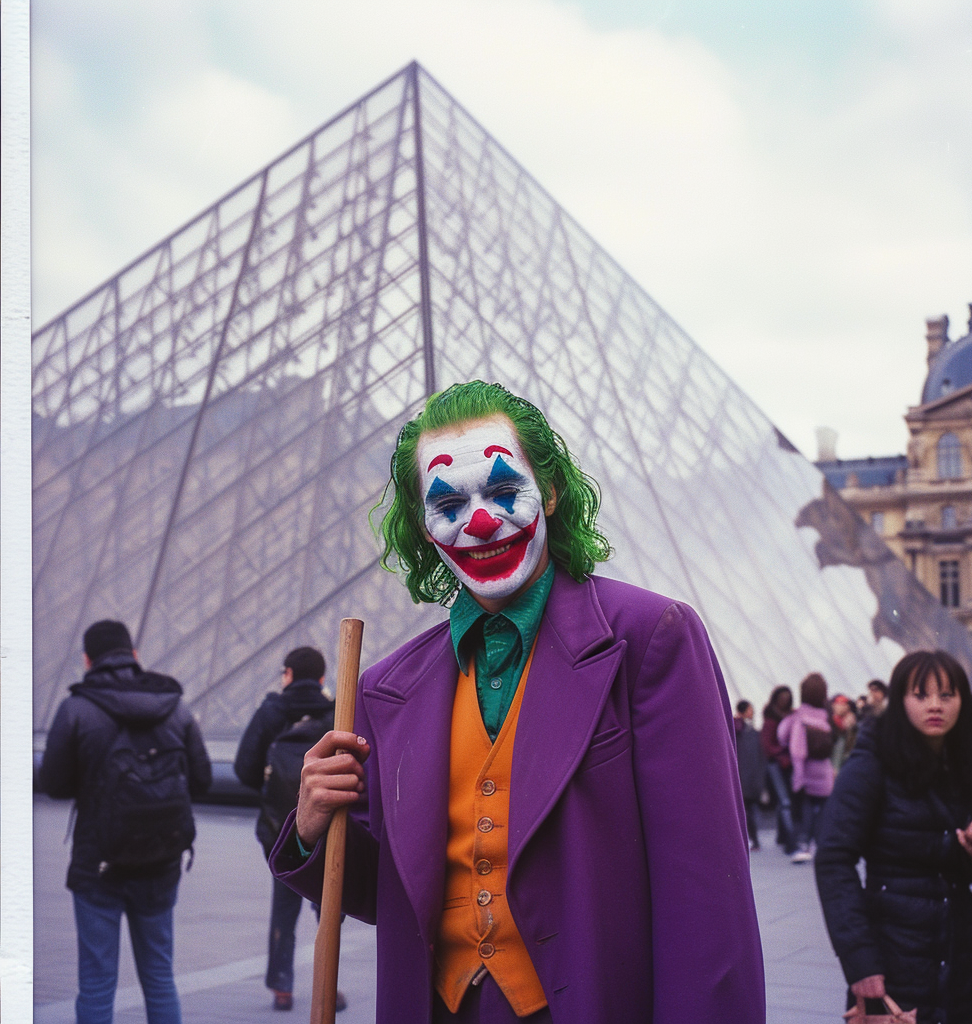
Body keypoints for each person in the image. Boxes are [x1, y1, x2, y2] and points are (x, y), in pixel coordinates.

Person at [270, 381, 766, 1023]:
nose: (480, 522)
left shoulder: (651, 639)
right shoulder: (386, 686)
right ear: (423, 524)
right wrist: (313, 826)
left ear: (552, 491)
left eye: (504, 492)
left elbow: (706, 901)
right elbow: (394, 892)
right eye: (448, 502)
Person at [815, 651, 972, 1024]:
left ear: (962, 700)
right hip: (891, 962)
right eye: (921, 695)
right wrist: (861, 965)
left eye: (947, 695)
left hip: (956, 960)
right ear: (901, 700)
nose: (935, 705)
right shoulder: (872, 761)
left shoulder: (971, 759)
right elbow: (833, 859)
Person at [39, 620, 211, 1024]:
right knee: (159, 977)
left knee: (97, 985)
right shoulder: (176, 705)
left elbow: (54, 784)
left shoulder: (76, 709)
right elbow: (202, 781)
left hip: (97, 864)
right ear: (134, 655)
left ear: (87, 660)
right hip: (161, 862)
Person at [234, 646, 346, 1012]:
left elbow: (244, 768)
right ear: (321, 678)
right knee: (327, 903)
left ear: (288, 674)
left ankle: (282, 986)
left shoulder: (271, 712)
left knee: (284, 904)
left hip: (278, 826)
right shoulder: (337, 712)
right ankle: (327, 984)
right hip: (327, 825)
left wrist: (271, 789)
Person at [778, 673, 834, 863]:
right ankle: (820, 844)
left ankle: (802, 845)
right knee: (823, 809)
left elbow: (787, 740)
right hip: (824, 771)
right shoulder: (826, 716)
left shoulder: (799, 716)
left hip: (806, 771)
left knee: (805, 809)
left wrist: (798, 777)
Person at [761, 685, 797, 855]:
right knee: (785, 802)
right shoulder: (771, 720)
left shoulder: (788, 716)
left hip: (785, 764)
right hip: (777, 764)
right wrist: (784, 751)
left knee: (784, 801)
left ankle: (783, 836)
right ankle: (790, 840)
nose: (785, 700)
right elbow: (767, 746)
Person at [734, 700, 767, 850]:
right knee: (748, 810)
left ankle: (752, 839)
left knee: (748, 810)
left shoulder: (749, 731)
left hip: (748, 776)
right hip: (746, 776)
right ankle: (752, 838)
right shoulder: (740, 729)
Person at [829, 694, 858, 774]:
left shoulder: (852, 722)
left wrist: (850, 727)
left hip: (845, 758)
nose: (842, 707)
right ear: (833, 706)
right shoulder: (829, 721)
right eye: (839, 704)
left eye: (844, 704)